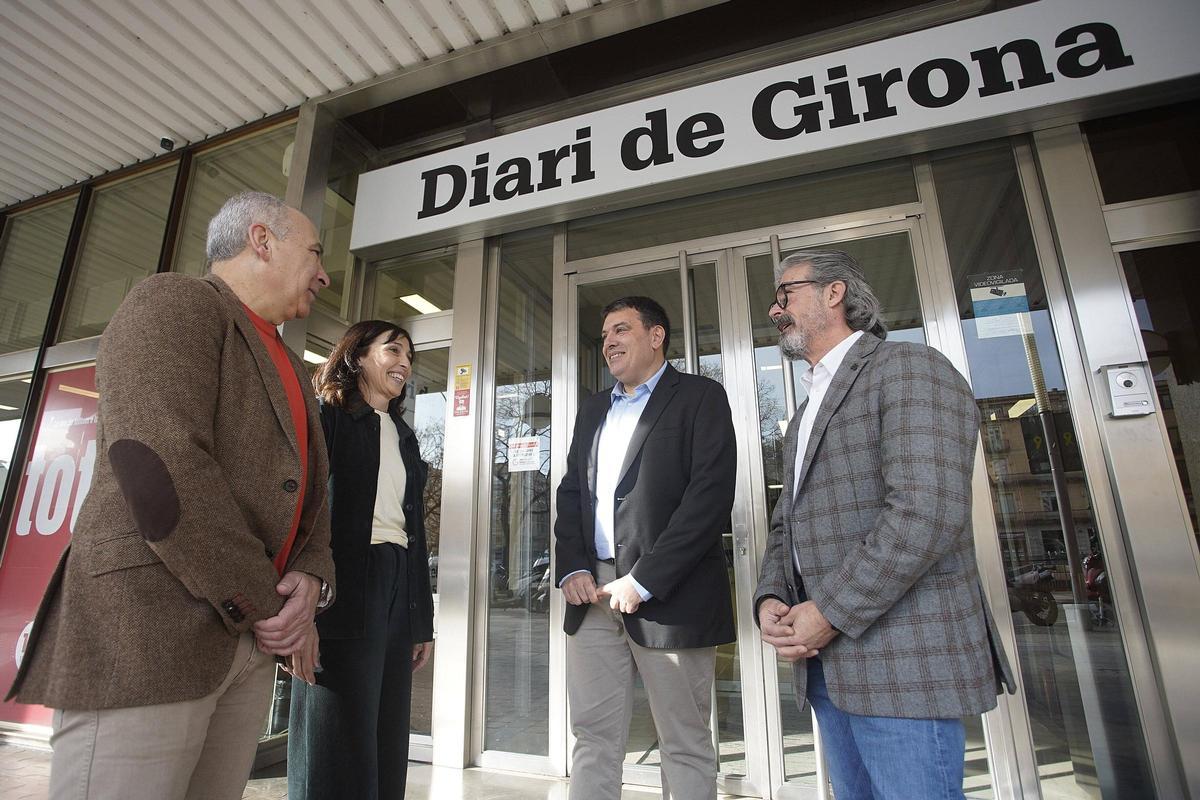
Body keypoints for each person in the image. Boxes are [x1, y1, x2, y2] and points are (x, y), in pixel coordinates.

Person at [7, 191, 336, 800]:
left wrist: (313, 579)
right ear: (261, 240)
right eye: (314, 251)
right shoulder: (174, 301)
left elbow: (312, 497)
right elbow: (159, 466)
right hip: (148, 636)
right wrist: (271, 604)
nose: (323, 273)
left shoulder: (291, 361)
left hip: (247, 645)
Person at [754, 250, 1015, 799]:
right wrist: (771, 595)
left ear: (834, 293)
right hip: (827, 669)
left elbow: (925, 512)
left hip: (903, 667)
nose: (776, 310)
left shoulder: (910, 368)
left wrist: (827, 612)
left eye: (786, 294)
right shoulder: (803, 412)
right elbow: (788, 523)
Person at [555, 296, 736, 800]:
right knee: (592, 736)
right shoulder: (594, 408)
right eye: (605, 333)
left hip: (669, 597)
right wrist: (571, 567)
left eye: (621, 329)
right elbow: (572, 493)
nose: (609, 341)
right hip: (591, 598)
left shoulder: (701, 397)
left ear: (656, 336)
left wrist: (643, 580)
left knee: (684, 741)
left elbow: (708, 499)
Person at [288, 320, 435, 800]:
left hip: (396, 582)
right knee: (338, 728)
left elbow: (414, 535)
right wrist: (299, 609)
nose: (405, 363)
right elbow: (300, 511)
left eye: (409, 355)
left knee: (388, 730)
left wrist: (420, 622)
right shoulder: (325, 420)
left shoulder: (405, 435)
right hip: (342, 581)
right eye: (392, 350)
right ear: (357, 358)